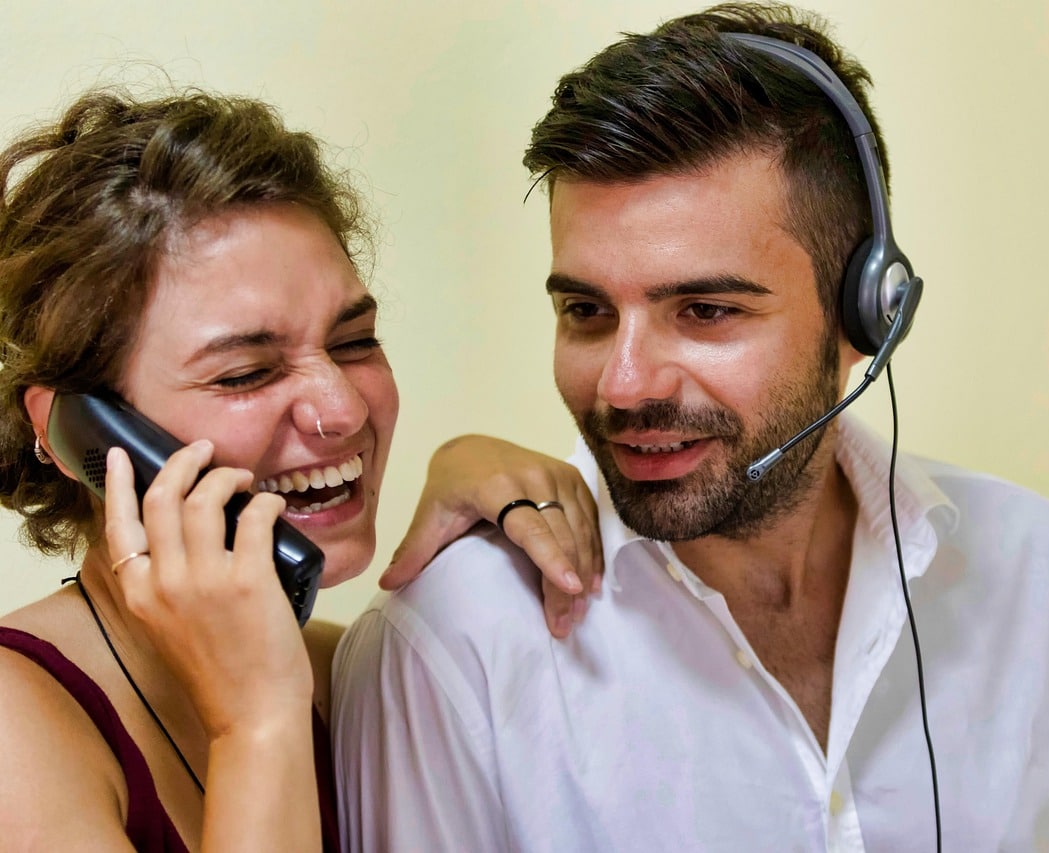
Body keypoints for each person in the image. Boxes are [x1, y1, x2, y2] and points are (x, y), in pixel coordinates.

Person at [331, 3, 1049, 851]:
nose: (624, 386)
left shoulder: (1040, 569)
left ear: (866, 316)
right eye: (586, 311)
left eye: (704, 310)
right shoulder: (452, 644)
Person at [0, 87, 602, 850]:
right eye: (246, 372)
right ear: (72, 432)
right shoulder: (17, 727)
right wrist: (256, 721)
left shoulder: (353, 669)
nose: (344, 410)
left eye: (353, 342)